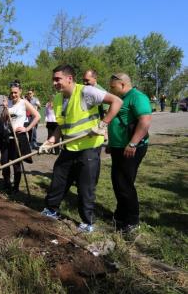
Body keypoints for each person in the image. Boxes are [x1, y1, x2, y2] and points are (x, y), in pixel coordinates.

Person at [39, 64, 122, 233]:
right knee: (58, 180)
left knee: (86, 187)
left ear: (69, 78)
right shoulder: (57, 99)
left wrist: (103, 124)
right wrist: (50, 141)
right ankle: (51, 210)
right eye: (53, 80)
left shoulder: (86, 92)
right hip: (69, 148)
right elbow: (61, 126)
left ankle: (87, 222)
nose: (54, 83)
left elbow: (117, 101)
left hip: (89, 149)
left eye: (58, 79)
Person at [108, 73, 152, 233]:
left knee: (125, 183)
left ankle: (132, 221)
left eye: (112, 86)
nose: (110, 89)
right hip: (118, 147)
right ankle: (120, 215)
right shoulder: (121, 98)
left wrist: (133, 143)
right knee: (118, 181)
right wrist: (112, 144)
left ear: (122, 84)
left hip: (131, 148)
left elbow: (145, 121)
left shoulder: (137, 97)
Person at [1, 82, 40, 192]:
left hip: (19, 137)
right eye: (12, 92)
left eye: (15, 92)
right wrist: (5, 108)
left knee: (16, 163)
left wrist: (27, 129)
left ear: (20, 92)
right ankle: (7, 183)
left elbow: (37, 116)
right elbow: (3, 119)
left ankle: (16, 187)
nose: (13, 94)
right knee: (4, 161)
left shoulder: (24, 102)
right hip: (7, 136)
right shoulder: (7, 103)